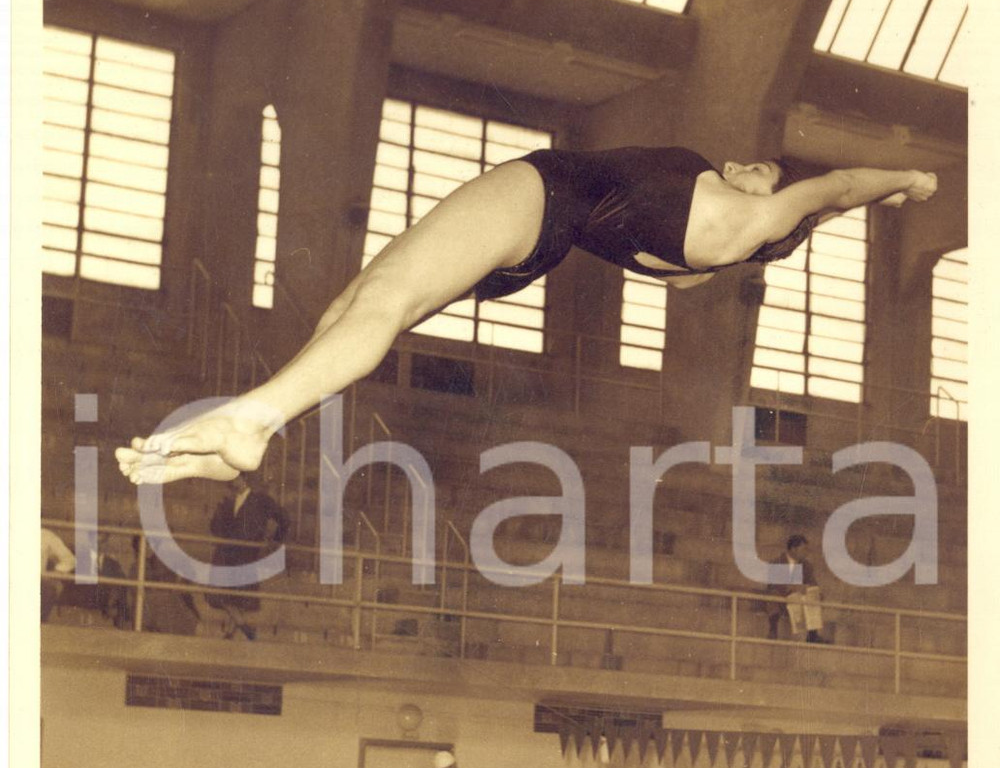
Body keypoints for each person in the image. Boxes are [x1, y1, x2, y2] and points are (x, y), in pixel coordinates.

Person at [115, 149, 938, 486]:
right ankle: (238, 442)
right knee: (357, 311)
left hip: (541, 195)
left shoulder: (754, 219)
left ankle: (251, 419)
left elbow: (837, 190)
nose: (744, 163)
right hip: (539, 246)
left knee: (379, 303)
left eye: (764, 171)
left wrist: (903, 177)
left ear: (778, 203)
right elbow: (819, 215)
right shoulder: (718, 254)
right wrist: (836, 211)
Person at [204, 473, 290, 640]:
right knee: (220, 594)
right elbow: (215, 528)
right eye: (230, 480)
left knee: (237, 597)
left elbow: (284, 519)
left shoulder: (261, 500)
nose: (232, 482)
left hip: (246, 555)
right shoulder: (227, 502)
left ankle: (233, 631)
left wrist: (276, 540)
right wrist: (218, 513)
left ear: (244, 479)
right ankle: (243, 629)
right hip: (225, 555)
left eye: (235, 478)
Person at [766, 533, 830, 644]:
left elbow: (812, 583)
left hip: (799, 600)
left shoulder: (807, 565)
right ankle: (773, 629)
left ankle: (812, 634)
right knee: (773, 595)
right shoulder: (777, 562)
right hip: (782, 599)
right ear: (793, 549)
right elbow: (773, 585)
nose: (806, 552)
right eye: (803, 549)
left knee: (813, 595)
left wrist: (816, 591)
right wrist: (793, 588)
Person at [41, 526, 75, 622]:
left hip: (36, 582)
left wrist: (54, 573)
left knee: (49, 589)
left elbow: (69, 559)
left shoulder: (45, 535)